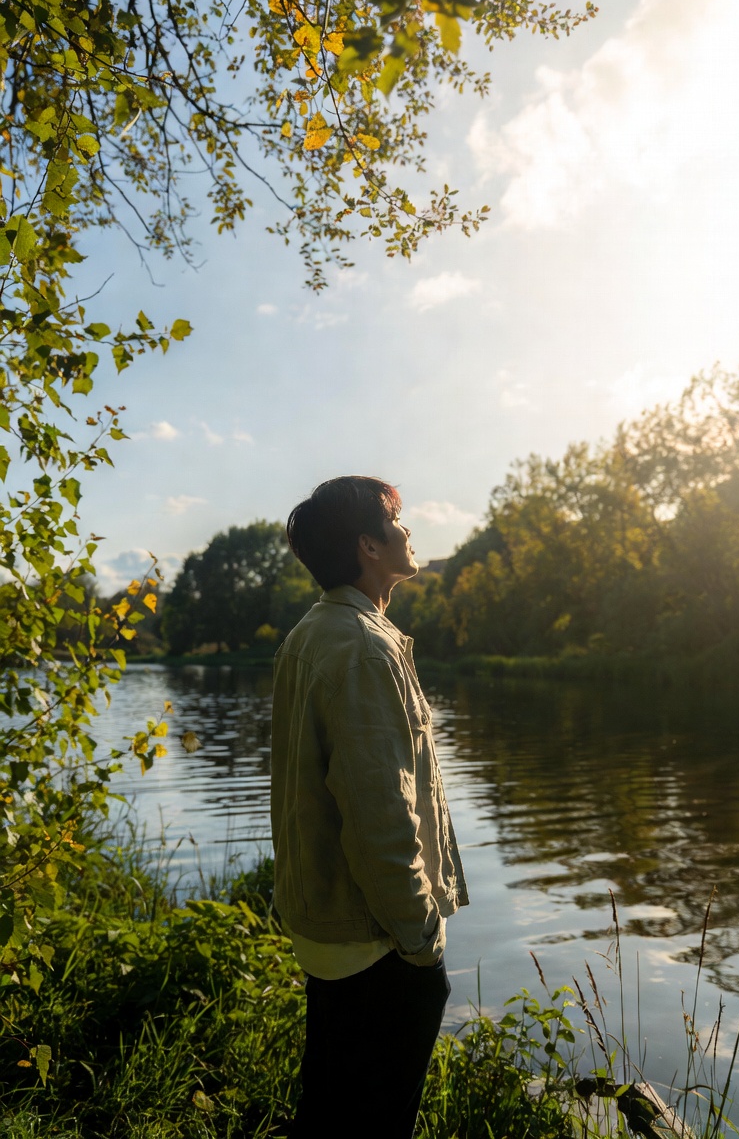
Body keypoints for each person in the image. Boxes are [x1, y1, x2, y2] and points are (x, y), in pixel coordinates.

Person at [270, 475, 468, 1139]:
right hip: (375, 940)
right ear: (368, 546)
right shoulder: (363, 648)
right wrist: (418, 942)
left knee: (329, 1111)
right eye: (396, 520)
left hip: (333, 926)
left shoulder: (317, 632)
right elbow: (381, 818)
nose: (409, 532)